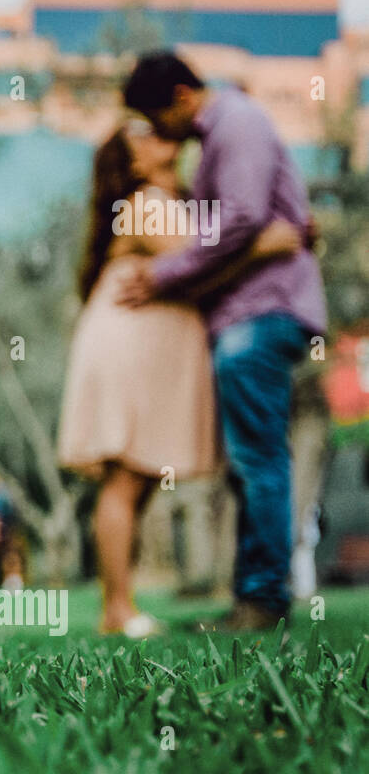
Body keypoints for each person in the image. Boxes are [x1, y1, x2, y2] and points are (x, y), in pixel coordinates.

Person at [58, 117, 301, 637]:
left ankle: (121, 605)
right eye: (141, 135)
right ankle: (116, 610)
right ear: (132, 163)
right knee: (125, 477)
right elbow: (202, 262)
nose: (158, 136)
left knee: (137, 478)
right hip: (128, 348)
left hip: (143, 351)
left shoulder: (170, 202)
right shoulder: (145, 203)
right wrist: (276, 239)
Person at [116, 52, 328, 632]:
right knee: (249, 460)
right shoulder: (220, 137)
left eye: (156, 116)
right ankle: (252, 593)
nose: (157, 132)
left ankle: (262, 599)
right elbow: (251, 225)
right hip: (248, 313)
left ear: (183, 95)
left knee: (258, 458)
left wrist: (160, 277)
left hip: (261, 313)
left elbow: (238, 219)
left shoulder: (235, 122)